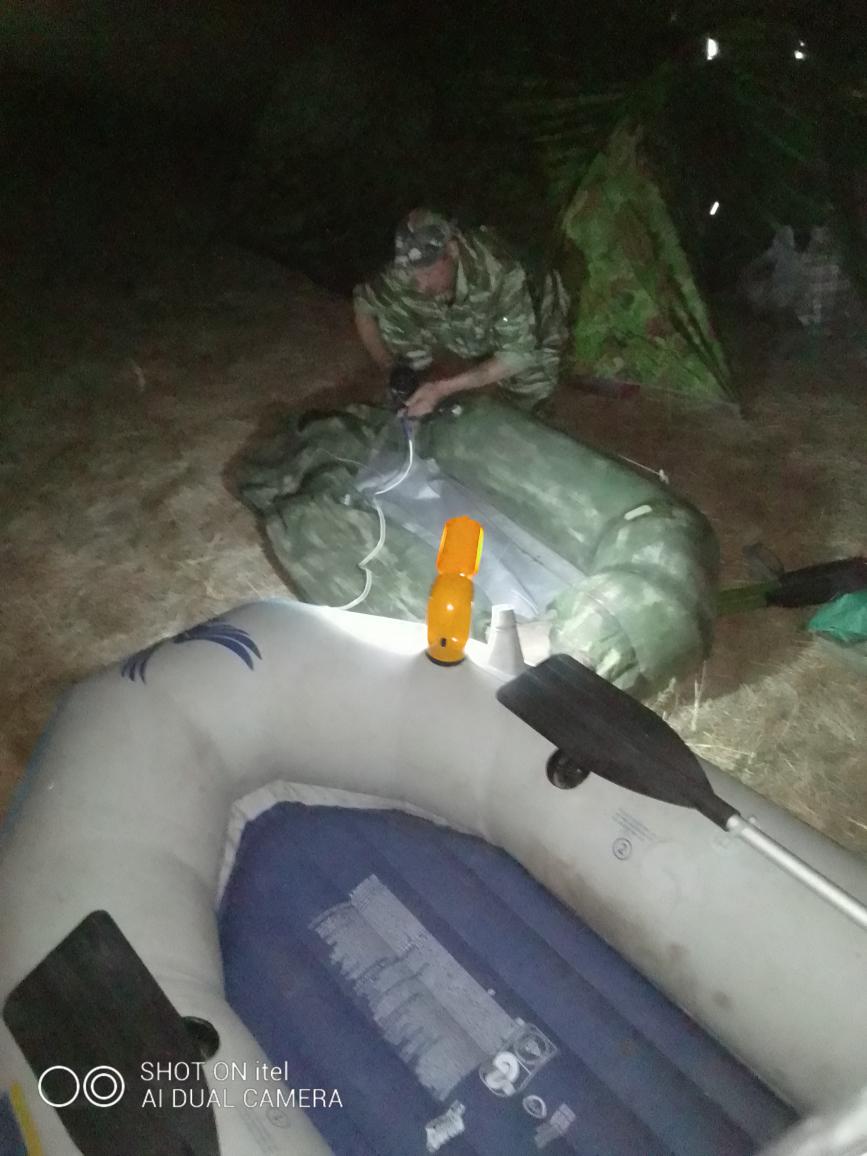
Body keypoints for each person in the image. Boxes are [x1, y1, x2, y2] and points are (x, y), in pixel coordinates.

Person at [352, 209, 570, 418]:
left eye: (428, 272)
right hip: (470, 317)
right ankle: (414, 389)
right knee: (395, 311)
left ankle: (525, 409)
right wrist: (389, 367)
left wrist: (442, 388)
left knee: (528, 389)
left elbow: (518, 354)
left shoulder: (501, 273)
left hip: (531, 307)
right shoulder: (407, 267)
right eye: (414, 274)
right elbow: (363, 307)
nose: (421, 284)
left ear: (452, 250)